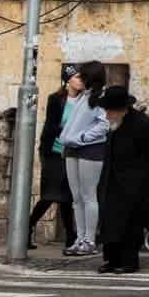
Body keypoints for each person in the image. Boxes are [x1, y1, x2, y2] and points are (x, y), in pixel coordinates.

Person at [95, 86, 149, 275]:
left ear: (122, 109)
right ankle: (111, 259)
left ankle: (129, 261)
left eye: (110, 111)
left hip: (134, 181)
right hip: (111, 180)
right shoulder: (114, 124)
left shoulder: (142, 124)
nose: (107, 115)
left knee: (131, 223)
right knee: (109, 222)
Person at [58, 60, 109, 256]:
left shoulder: (100, 97)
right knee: (77, 198)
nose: (79, 79)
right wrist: (70, 139)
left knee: (88, 196)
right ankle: (80, 238)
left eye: (82, 76)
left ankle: (89, 240)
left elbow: (103, 125)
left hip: (90, 150)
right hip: (72, 148)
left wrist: (83, 138)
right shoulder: (83, 96)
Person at [26, 64, 78, 250]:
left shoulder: (83, 100)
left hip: (71, 152)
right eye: (77, 77)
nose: (80, 81)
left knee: (66, 196)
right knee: (50, 194)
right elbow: (51, 126)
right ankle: (27, 227)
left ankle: (71, 237)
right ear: (68, 80)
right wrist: (68, 131)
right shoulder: (56, 99)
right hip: (53, 151)